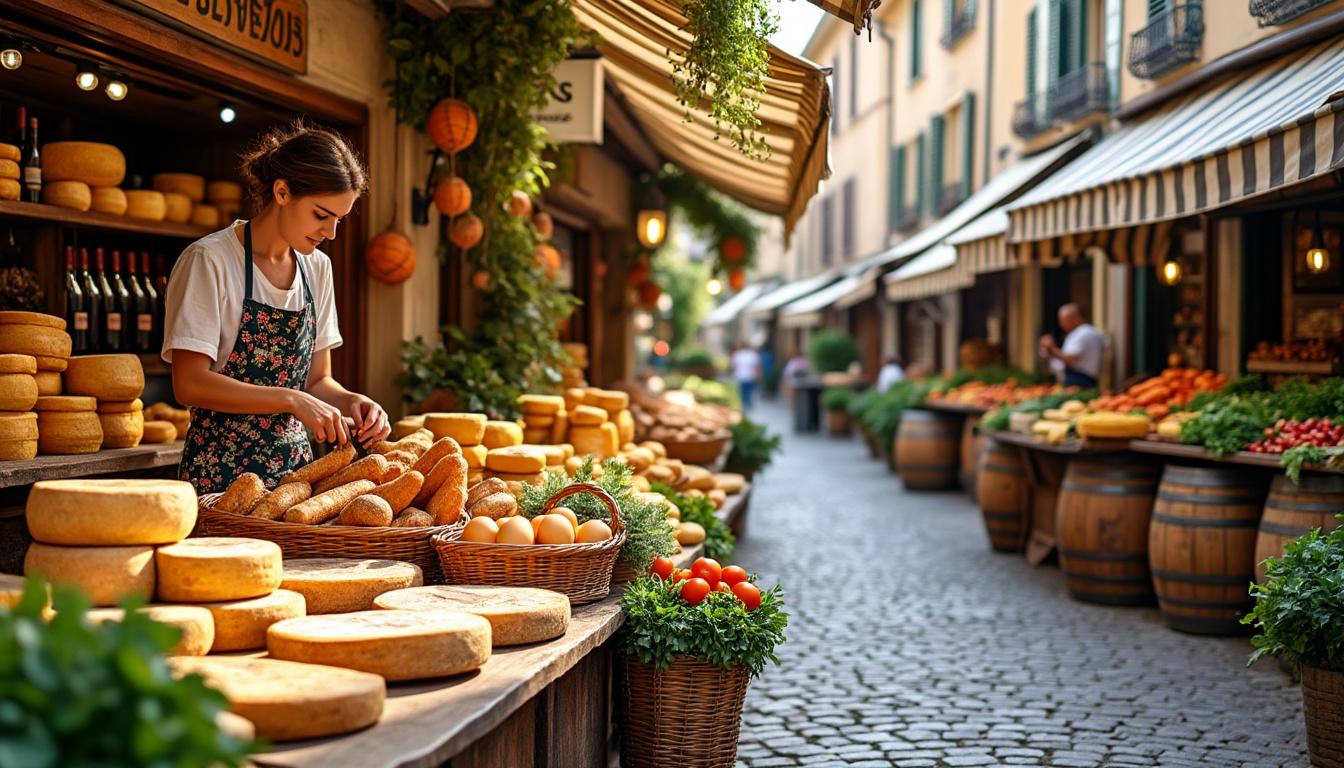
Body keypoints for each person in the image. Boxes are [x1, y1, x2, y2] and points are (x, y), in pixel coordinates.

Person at [163, 120, 391, 493]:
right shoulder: (210, 260)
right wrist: (290, 399)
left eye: (338, 220)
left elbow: (317, 381)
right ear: (282, 192)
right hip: (219, 480)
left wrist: (353, 402)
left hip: (296, 483)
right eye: (321, 215)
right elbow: (189, 383)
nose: (331, 233)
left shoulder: (318, 268)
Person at [1038, 303, 1105, 388]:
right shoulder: (1076, 333)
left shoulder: (1084, 332)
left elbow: (1070, 358)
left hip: (1082, 380)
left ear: (1077, 317)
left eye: (1065, 320)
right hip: (1075, 378)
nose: (1061, 324)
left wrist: (1051, 349)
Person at [730, 342, 762, 410]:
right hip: (750, 376)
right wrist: (758, 374)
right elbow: (757, 366)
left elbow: (733, 366)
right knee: (749, 391)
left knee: (742, 391)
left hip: (740, 376)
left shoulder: (737, 354)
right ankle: (747, 403)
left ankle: (744, 404)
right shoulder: (752, 354)